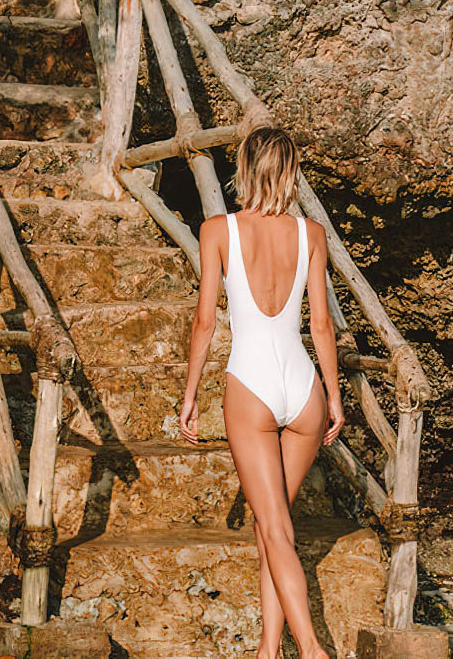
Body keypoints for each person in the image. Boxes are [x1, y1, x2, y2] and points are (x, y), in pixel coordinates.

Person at [179, 127, 345, 659]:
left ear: (244, 168)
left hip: (250, 383)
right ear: (291, 170)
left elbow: (206, 320)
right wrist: (334, 397)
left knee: (273, 527)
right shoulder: (311, 233)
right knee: (274, 528)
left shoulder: (217, 230)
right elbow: (321, 325)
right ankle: (267, 651)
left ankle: (312, 649)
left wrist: (190, 394)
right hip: (304, 388)